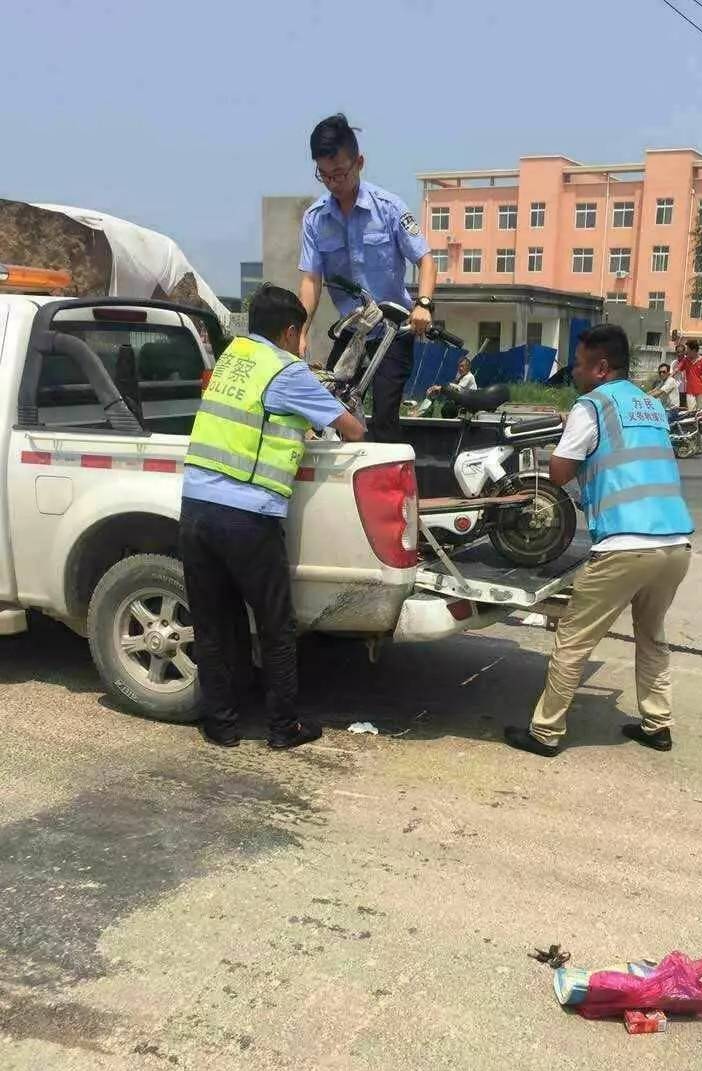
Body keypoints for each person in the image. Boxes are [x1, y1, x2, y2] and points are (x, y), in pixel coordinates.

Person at [180, 284, 365, 750]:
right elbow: (352, 428)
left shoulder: (233, 358)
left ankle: (221, 724)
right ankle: (284, 727)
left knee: (214, 622)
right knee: (276, 626)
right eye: (301, 334)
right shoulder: (287, 370)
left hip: (196, 507)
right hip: (247, 514)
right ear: (289, 331)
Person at [504, 324, 694, 758]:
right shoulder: (650, 405)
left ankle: (545, 732)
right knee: (652, 635)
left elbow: (559, 474)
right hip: (677, 543)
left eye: (578, 364)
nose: (574, 371)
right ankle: (658, 724)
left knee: (573, 637)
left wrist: (564, 431)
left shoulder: (591, 406)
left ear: (601, 367)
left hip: (626, 545)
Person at [298, 113, 436, 439]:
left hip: (393, 331)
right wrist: (300, 332)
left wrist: (424, 304)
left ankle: (388, 484)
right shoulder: (315, 219)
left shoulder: (389, 208)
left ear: (359, 162)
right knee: (331, 407)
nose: (333, 183)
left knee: (385, 418)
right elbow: (310, 281)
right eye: (325, 176)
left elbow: (426, 261)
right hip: (353, 330)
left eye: (340, 173)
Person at [680, 338, 702, 410]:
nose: (686, 352)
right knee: (691, 410)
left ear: (693, 350)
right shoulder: (685, 360)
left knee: (699, 411)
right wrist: (668, 377)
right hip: (690, 390)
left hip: (700, 390)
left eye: (688, 350)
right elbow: (677, 369)